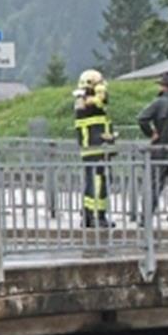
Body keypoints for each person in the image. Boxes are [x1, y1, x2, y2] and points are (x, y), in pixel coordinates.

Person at [137, 70, 168, 227]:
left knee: (154, 185)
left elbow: (142, 118)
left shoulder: (158, 103)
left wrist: (152, 134)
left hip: (159, 150)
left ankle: (146, 218)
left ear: (166, 87)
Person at [73, 69, 115, 229]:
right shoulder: (87, 102)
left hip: (95, 148)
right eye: (98, 84)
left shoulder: (83, 101)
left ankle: (90, 215)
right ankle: (96, 216)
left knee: (94, 182)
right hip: (95, 148)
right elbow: (102, 100)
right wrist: (101, 90)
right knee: (98, 183)